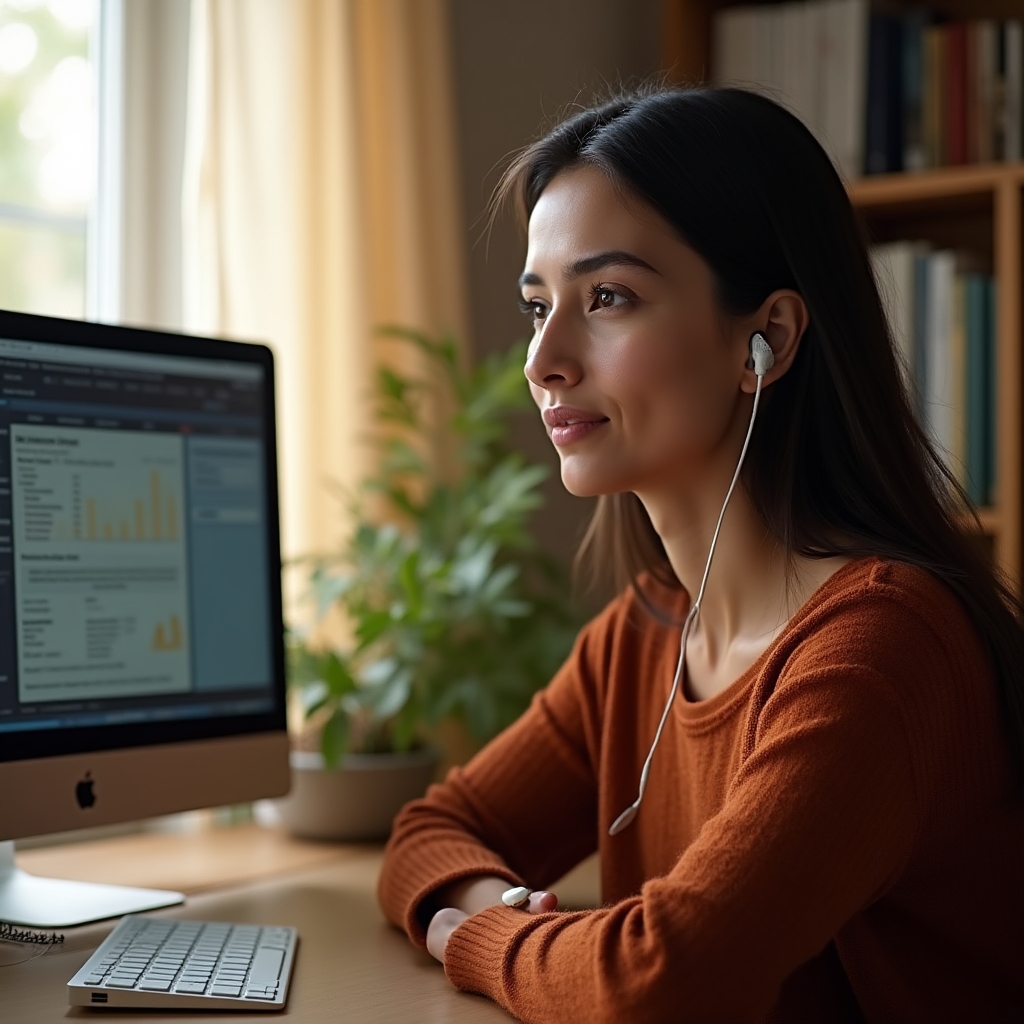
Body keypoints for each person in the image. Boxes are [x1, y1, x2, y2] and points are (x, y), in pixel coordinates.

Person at [376, 86, 1024, 1023]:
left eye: (607, 298)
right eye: (536, 306)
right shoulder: (643, 636)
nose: (542, 360)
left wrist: (473, 934)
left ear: (769, 339)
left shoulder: (879, 655)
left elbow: (660, 981)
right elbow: (434, 831)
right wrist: (503, 912)